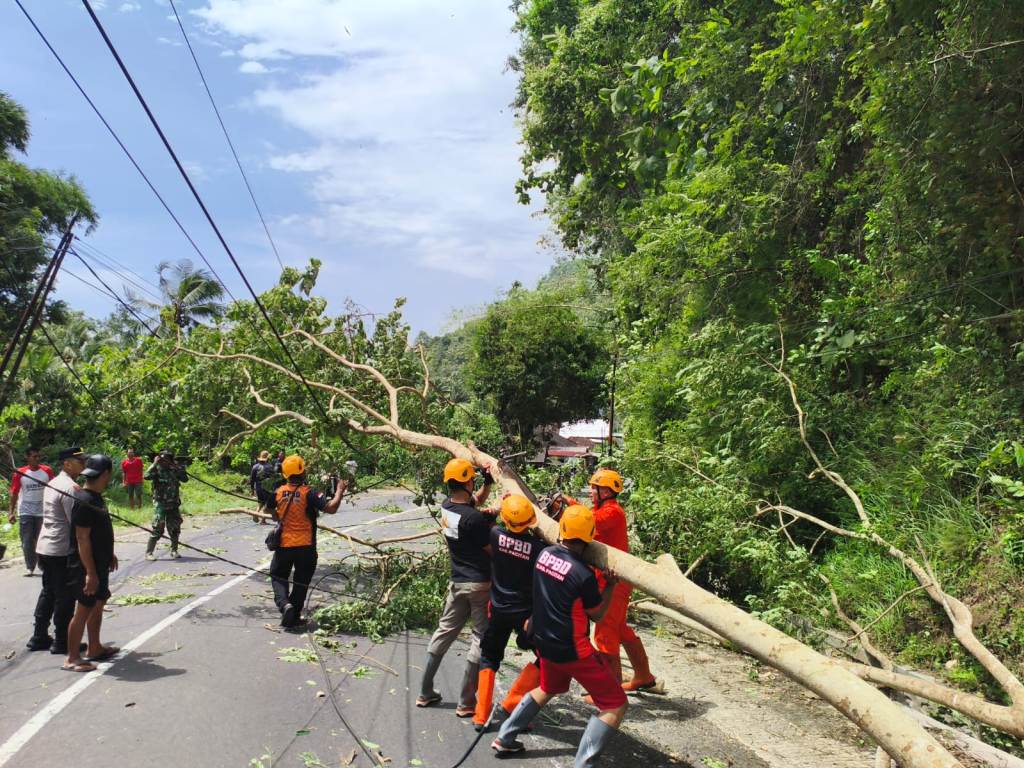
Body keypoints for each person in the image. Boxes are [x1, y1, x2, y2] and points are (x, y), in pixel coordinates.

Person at [491, 505, 627, 766]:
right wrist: (610, 584)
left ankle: (505, 738)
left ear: (562, 530)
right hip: (574, 650)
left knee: (548, 687)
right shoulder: (583, 574)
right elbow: (597, 614)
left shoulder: (543, 554)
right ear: (589, 537)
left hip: (543, 642)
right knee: (615, 704)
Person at [417, 458, 495, 717]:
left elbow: (476, 503)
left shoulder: (447, 507)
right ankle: (465, 701)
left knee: (444, 632)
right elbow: (490, 548)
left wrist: (488, 483)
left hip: (458, 581)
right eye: (473, 479)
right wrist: (496, 526)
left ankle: (425, 691)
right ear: (466, 482)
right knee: (480, 638)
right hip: (479, 584)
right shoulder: (474, 520)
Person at [472, 494, 543, 731]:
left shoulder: (496, 535)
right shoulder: (538, 548)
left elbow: (489, 521)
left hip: (499, 609)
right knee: (546, 657)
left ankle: (481, 715)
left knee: (489, 656)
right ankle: (513, 702)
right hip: (526, 615)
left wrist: (496, 509)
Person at [587, 468, 658, 692]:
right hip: (613, 580)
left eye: (594, 488)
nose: (590, 491)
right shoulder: (604, 508)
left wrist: (567, 507)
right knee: (619, 629)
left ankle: (611, 690)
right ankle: (643, 676)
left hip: (613, 581)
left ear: (606, 490)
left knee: (605, 631)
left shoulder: (611, 512)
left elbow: (587, 523)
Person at [269, 454, 346, 627]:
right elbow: (331, 508)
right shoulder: (310, 493)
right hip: (306, 547)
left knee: (278, 575)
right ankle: (294, 615)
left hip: (284, 546)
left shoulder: (278, 492)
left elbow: (269, 510)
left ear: (285, 474)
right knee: (301, 581)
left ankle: (285, 605)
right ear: (303, 472)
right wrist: (340, 491)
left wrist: (279, 516)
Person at [64, 454, 119, 672]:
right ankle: (72, 658)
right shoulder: (86, 501)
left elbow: (99, 533)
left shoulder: (95, 497)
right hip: (85, 567)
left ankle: (94, 647)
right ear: (106, 474)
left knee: (98, 603)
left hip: (99, 562)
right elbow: (82, 538)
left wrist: (109, 554)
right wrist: (90, 573)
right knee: (84, 609)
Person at [29, 447, 85, 653]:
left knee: (49, 591)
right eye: (79, 461)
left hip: (46, 545)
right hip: (60, 547)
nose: (83, 465)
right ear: (67, 464)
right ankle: (62, 641)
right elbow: (75, 524)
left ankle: (39, 636)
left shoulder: (53, 483)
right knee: (65, 595)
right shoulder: (70, 488)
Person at [8, 447, 54, 576]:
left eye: (38, 456)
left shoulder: (47, 471)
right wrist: (10, 512)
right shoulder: (20, 472)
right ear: (27, 457)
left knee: (42, 538)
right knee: (27, 540)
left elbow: (53, 489)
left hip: (43, 511)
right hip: (25, 511)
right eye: (34, 456)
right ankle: (30, 566)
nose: (36, 459)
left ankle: (43, 565)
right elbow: (14, 493)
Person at [144, 451, 188, 561]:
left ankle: (174, 550)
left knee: (174, 528)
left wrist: (178, 467)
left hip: (173, 503)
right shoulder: (157, 470)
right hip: (160, 503)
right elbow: (146, 476)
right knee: (158, 526)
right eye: (161, 460)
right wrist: (154, 464)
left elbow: (185, 479)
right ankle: (149, 553)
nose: (163, 462)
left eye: (166, 459)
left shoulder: (175, 470)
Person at [249, 450, 275, 525]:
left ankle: (256, 513)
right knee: (266, 504)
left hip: (258, 488)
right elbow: (273, 478)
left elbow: (252, 479)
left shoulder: (255, 467)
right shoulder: (270, 467)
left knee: (260, 503)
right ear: (267, 458)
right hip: (266, 488)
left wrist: (252, 490)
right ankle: (263, 520)